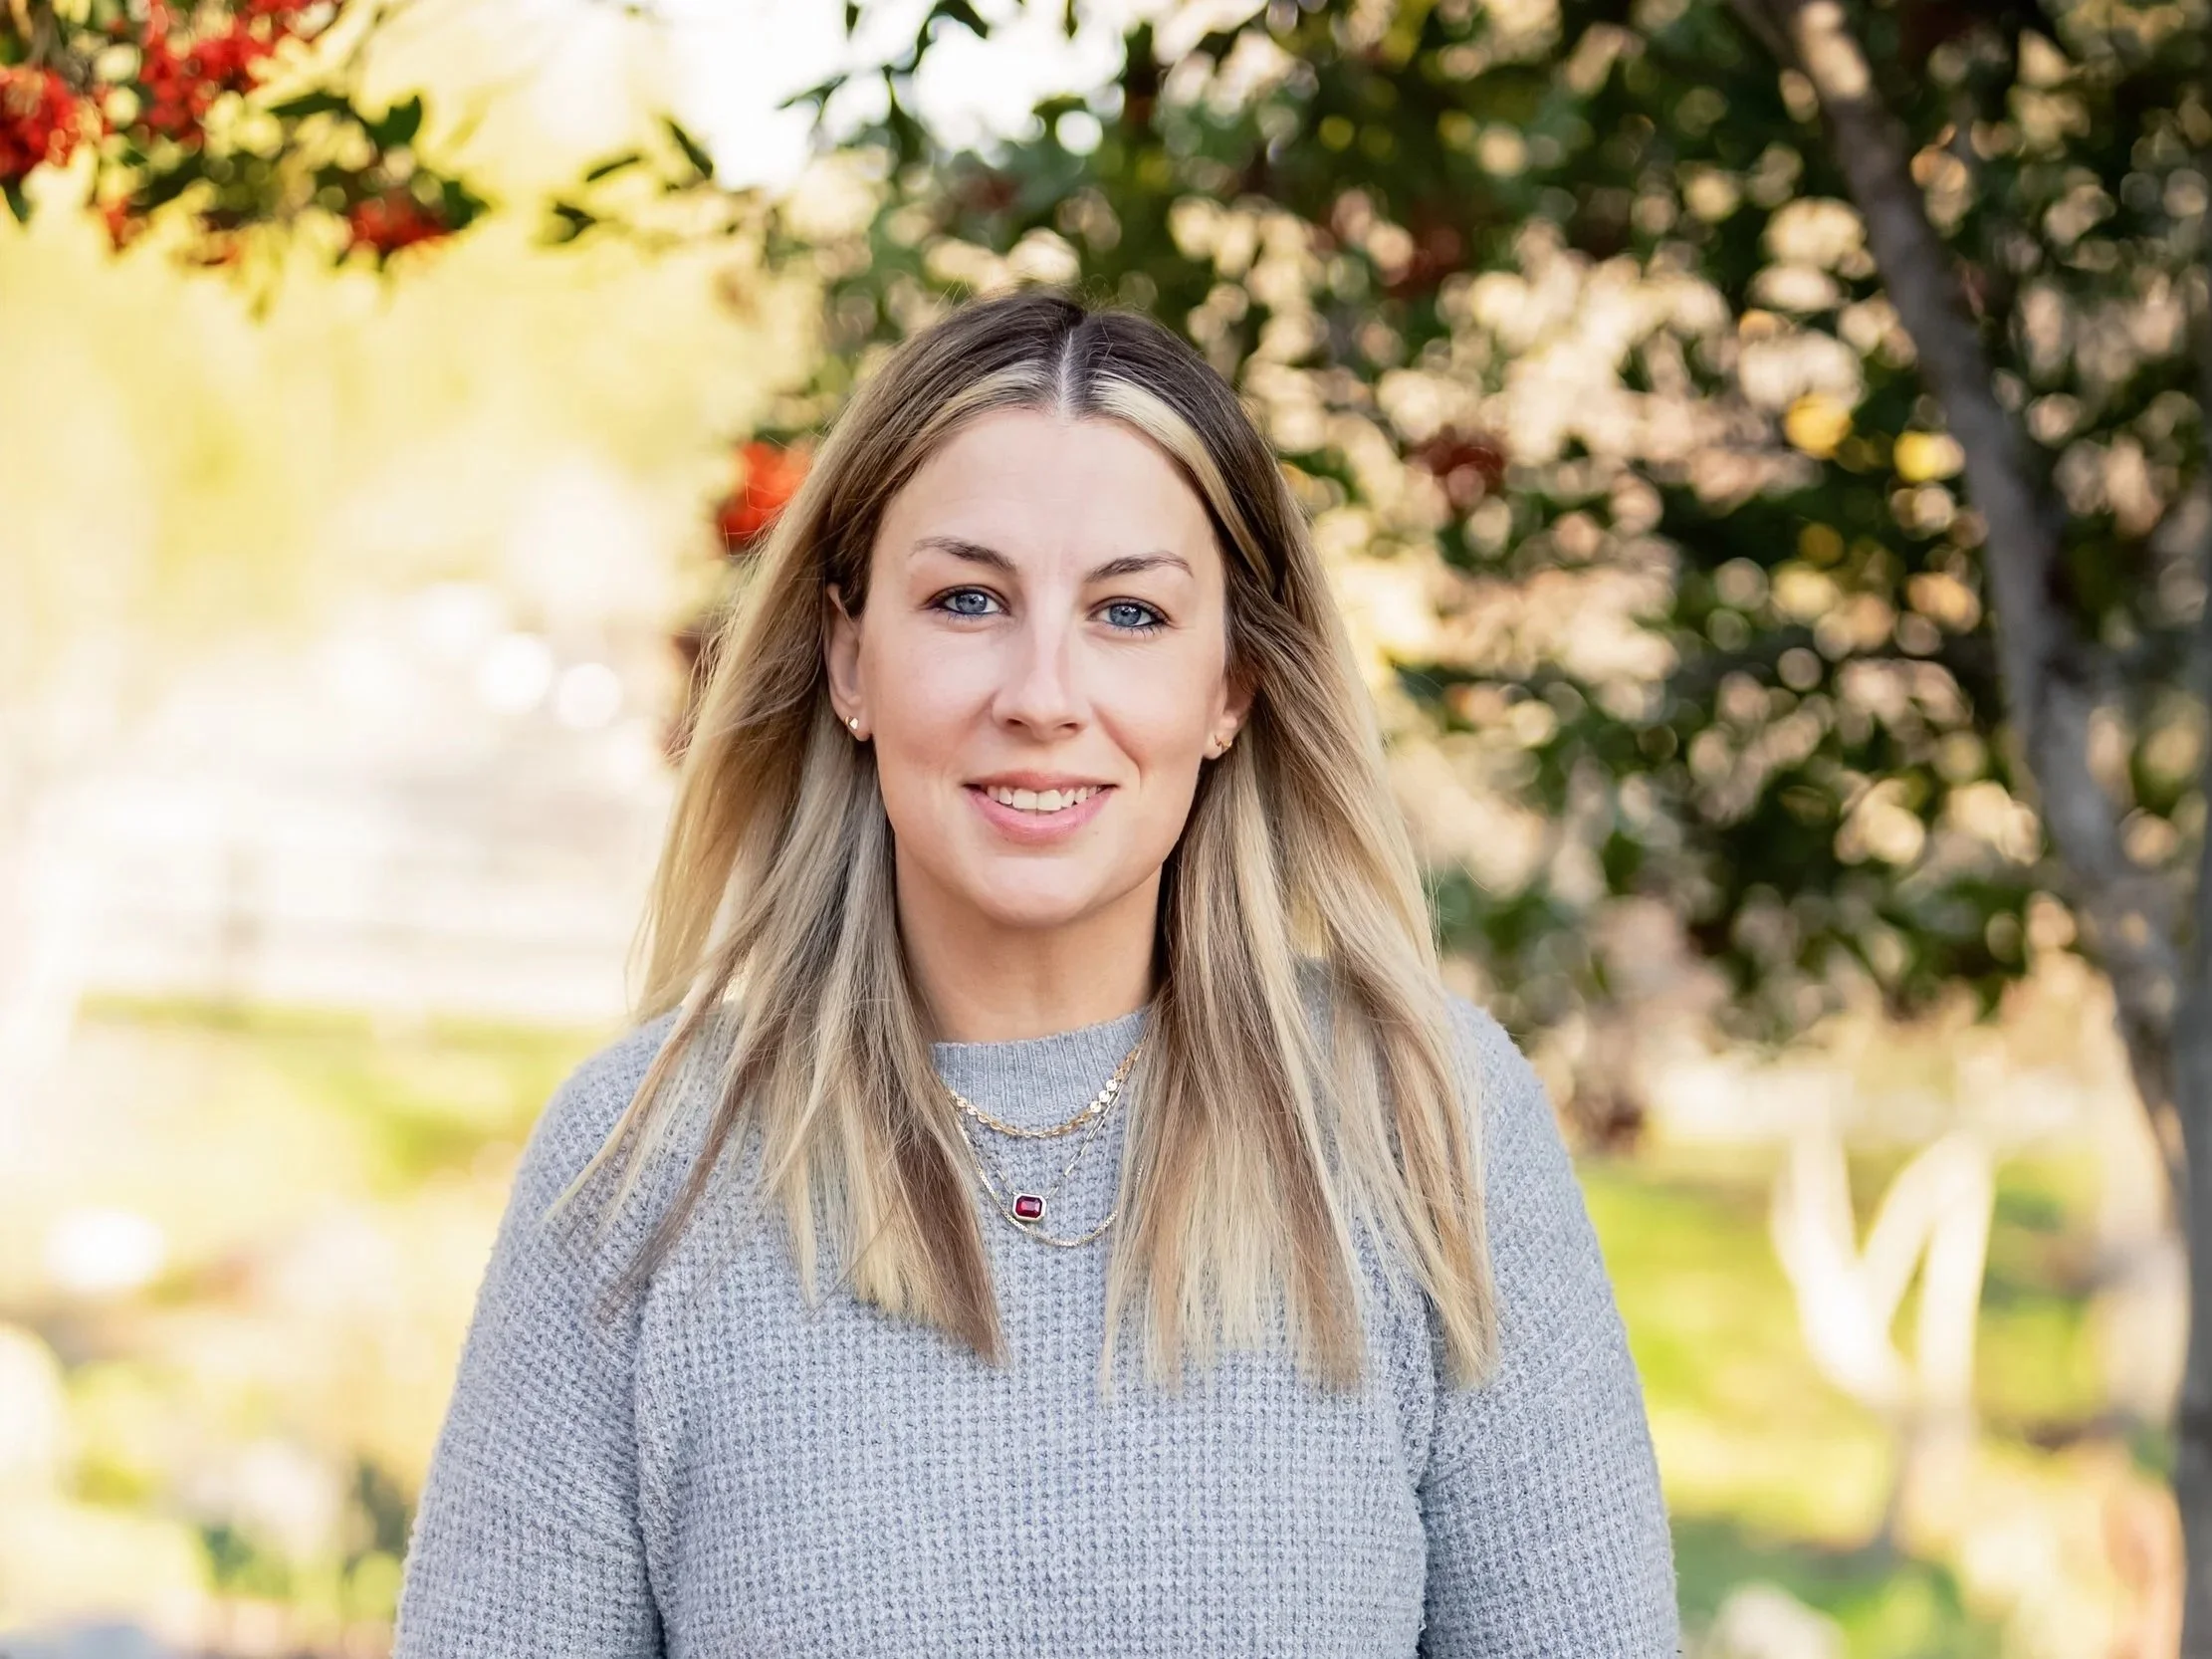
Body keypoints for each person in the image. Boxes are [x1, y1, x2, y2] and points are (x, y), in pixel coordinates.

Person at [392, 288, 1680, 1655]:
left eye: (1128, 613)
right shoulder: (644, 1162)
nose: (1043, 691)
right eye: (966, 599)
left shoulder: (1428, 1120)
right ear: (847, 657)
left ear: (1229, 685)